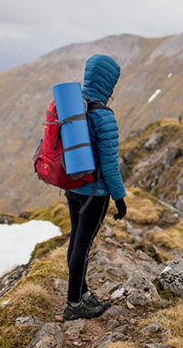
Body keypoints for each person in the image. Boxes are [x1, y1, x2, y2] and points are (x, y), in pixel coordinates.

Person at [63, 54, 127, 320]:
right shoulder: (103, 116)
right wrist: (120, 198)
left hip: (73, 187)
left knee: (76, 241)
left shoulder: (73, 107)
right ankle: (75, 304)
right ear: (107, 83)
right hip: (95, 194)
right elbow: (110, 165)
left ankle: (82, 292)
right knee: (83, 246)